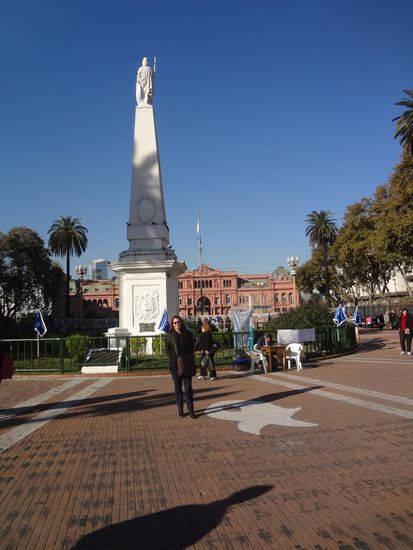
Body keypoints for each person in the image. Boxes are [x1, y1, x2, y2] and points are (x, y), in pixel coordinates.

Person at [166, 316, 197, 418]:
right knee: (178, 388)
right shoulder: (170, 336)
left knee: (188, 388)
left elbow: (192, 347)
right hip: (175, 365)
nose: (177, 324)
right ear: (172, 324)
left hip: (186, 364)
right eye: (174, 323)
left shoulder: (188, 334)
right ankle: (180, 409)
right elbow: (168, 350)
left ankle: (191, 410)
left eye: (178, 322)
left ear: (182, 323)